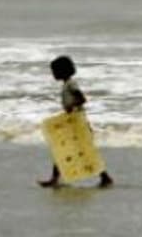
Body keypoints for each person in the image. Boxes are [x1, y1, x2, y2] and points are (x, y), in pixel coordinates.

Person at [38, 55, 114, 188]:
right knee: (61, 148)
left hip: (76, 123)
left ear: (62, 71)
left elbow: (82, 98)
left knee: (83, 150)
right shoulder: (67, 84)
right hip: (72, 122)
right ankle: (55, 178)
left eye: (55, 71)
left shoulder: (71, 84)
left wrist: (72, 107)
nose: (53, 74)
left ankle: (105, 177)